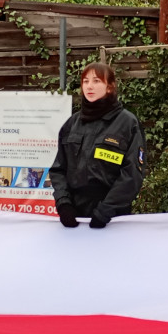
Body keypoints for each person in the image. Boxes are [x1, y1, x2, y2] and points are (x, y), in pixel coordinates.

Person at [49, 62, 145, 228]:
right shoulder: (72, 124)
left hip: (112, 219)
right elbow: (58, 169)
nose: (89, 86)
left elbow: (132, 174)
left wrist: (106, 210)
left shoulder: (127, 123)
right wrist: (64, 204)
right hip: (75, 217)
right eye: (85, 81)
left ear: (109, 87)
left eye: (96, 81)